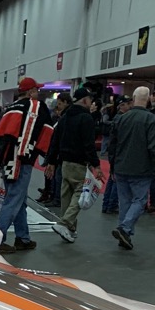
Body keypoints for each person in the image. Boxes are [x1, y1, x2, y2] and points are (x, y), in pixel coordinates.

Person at [0, 76, 52, 252]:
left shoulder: (11, 108)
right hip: (21, 159)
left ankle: (23, 238)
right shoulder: (35, 107)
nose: (38, 93)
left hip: (6, 158)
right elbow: (47, 132)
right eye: (36, 90)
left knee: (19, 198)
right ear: (31, 91)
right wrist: (47, 156)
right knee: (13, 199)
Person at [106, 86, 155, 251]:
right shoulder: (151, 119)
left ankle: (125, 233)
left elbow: (112, 145)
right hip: (141, 168)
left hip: (121, 166)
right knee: (139, 200)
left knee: (125, 201)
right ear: (148, 99)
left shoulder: (121, 118)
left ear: (134, 98)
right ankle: (125, 228)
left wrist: (112, 166)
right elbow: (154, 146)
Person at [47, 86, 102, 242]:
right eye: (90, 99)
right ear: (84, 100)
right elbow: (89, 144)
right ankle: (64, 223)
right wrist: (96, 165)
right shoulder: (86, 118)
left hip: (64, 162)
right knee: (80, 192)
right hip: (79, 162)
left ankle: (69, 228)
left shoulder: (64, 117)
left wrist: (51, 161)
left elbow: (55, 140)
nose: (91, 102)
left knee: (66, 195)